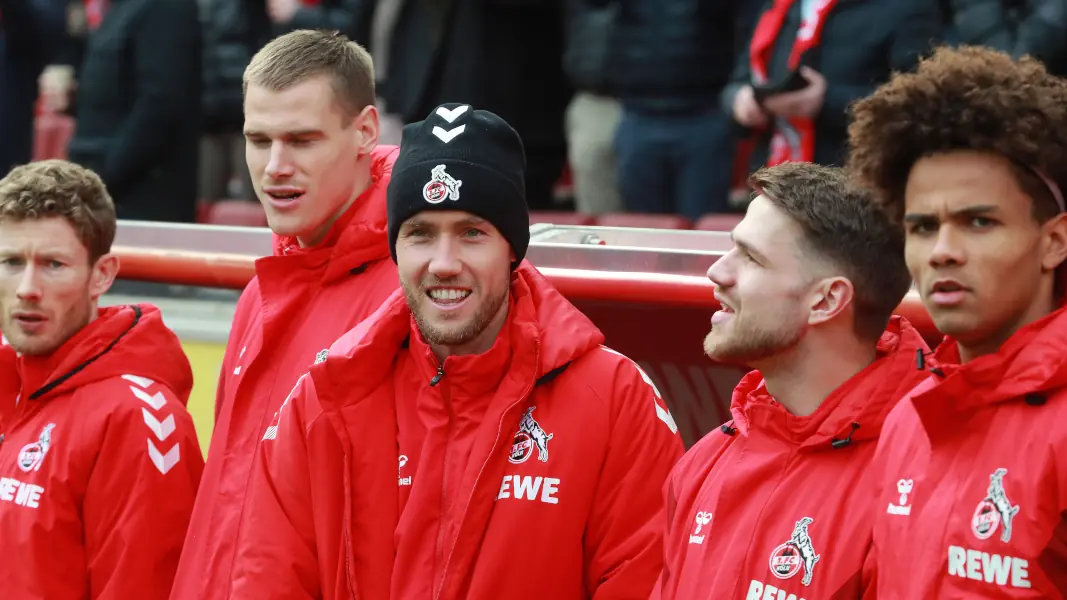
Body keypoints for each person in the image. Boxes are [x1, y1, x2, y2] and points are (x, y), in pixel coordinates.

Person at [227, 103, 686, 600]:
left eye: (472, 233)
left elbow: (646, 582)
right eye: (420, 233)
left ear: (512, 247)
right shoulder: (325, 399)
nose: (444, 264)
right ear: (394, 247)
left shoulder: (614, 400)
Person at [170, 30, 402, 600]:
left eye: (301, 140)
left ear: (365, 132)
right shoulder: (262, 289)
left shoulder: (413, 292)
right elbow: (225, 500)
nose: (274, 167)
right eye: (258, 140)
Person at [651, 162, 929, 599]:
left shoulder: (917, 484)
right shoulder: (704, 462)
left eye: (750, 258)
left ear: (827, 300)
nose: (717, 273)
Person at [847, 45, 1067, 596]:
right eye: (922, 228)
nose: (942, 252)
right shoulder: (908, 420)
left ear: (1054, 242)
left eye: (978, 222)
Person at [0, 159, 203, 599]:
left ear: (102, 275)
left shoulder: (137, 419)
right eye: (12, 262)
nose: (27, 288)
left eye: (53, 264)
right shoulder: (7, 384)